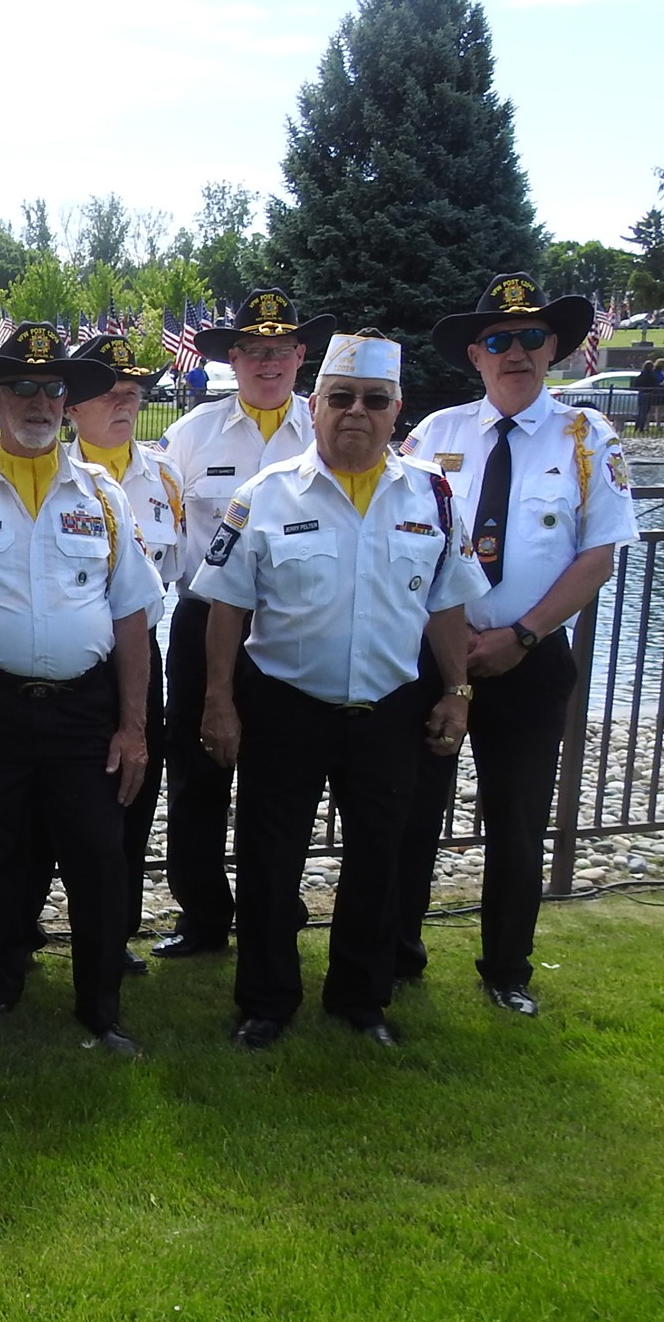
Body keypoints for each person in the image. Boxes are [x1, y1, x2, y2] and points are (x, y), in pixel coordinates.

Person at [192, 330, 486, 1050]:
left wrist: (459, 689)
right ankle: (266, 1000)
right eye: (342, 398)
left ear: (397, 410)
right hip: (287, 705)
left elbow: (449, 602)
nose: (357, 411)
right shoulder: (262, 494)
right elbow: (227, 604)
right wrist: (219, 699)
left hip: (390, 707)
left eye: (375, 400)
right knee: (269, 860)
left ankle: (361, 998)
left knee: (379, 860)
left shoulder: (434, 496)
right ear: (315, 404)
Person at [395, 273, 638, 1017]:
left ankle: (507, 967)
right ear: (477, 353)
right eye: (500, 340)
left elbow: (599, 554)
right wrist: (452, 639)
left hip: (530, 660)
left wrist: (523, 634)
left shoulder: (589, 437)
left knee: (518, 818)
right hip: (436, 656)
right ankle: (397, 952)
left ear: (554, 348)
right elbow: (400, 540)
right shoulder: (434, 435)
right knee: (411, 812)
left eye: (532, 337)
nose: (517, 352)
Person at [0, 324, 160, 1051]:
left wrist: (132, 725)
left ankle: (100, 1004)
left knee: (97, 852)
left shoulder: (103, 495)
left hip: (83, 710)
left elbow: (131, 615)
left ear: (68, 400)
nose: (38, 400)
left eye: (53, 386)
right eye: (22, 386)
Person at [151, 287, 335, 959]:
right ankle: (201, 917)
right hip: (203, 624)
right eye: (253, 350)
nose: (267, 362)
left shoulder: (326, 431)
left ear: (299, 355)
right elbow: (157, 527)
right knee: (197, 776)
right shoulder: (190, 434)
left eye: (279, 349)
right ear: (233, 358)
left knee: (278, 779)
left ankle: (274, 912)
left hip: (292, 626)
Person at [68, 333, 185, 971]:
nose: (123, 401)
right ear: (72, 408)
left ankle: (116, 933)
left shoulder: (165, 474)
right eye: (108, 392)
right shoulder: (50, 472)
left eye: (133, 392)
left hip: (140, 656)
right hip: (73, 659)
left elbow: (177, 566)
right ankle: (26, 924)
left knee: (134, 797)